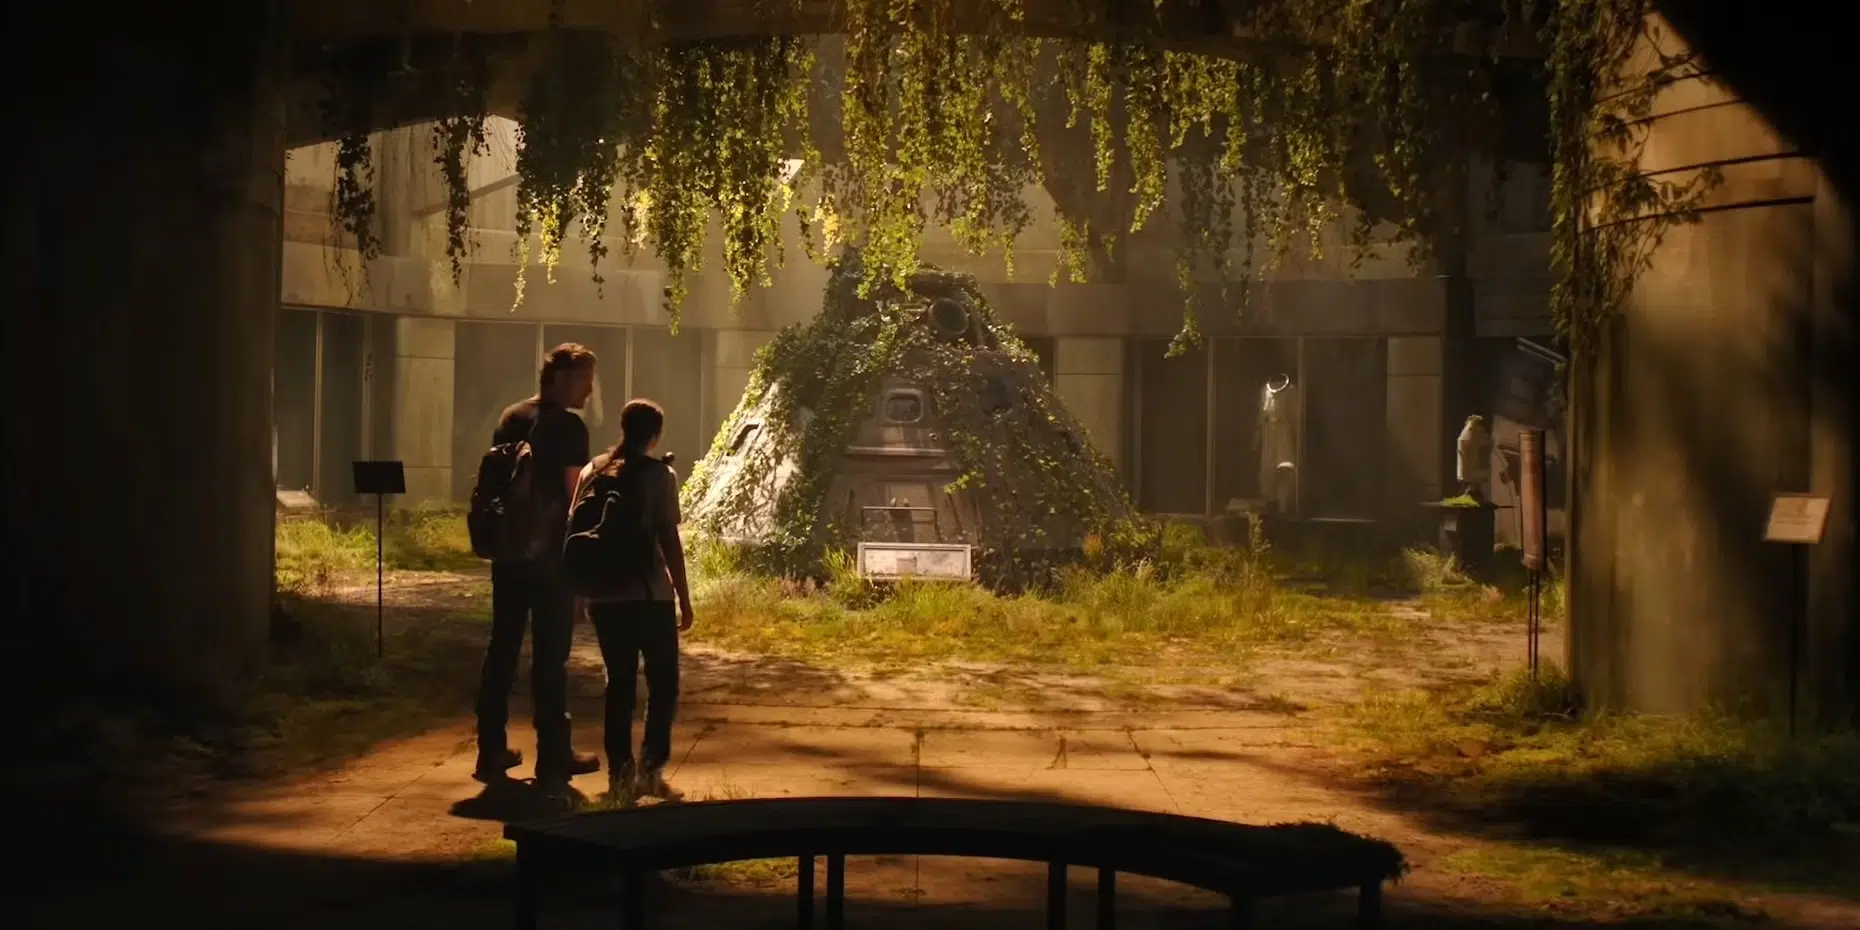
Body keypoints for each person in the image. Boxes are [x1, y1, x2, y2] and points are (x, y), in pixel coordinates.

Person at [474, 343, 604, 788]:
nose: (589, 390)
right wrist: (581, 569)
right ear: (563, 378)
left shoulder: (511, 417)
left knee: (502, 650)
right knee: (551, 657)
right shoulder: (568, 427)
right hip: (550, 559)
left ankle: (491, 749)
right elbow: (574, 499)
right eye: (585, 379)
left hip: (509, 553)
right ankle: (554, 755)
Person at [573, 399, 695, 801]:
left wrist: (579, 592)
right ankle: (651, 768)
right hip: (649, 595)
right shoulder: (660, 476)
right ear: (655, 435)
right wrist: (683, 596)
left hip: (606, 598)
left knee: (619, 685)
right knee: (663, 683)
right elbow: (669, 540)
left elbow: (577, 532)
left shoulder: (593, 471)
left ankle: (620, 775)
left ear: (623, 428)